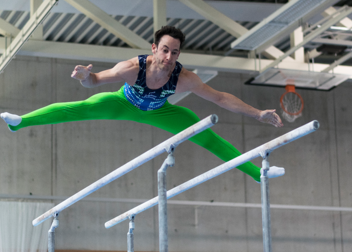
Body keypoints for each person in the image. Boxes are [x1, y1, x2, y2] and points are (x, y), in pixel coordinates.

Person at [1, 26, 284, 182]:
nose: (169, 56)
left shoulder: (185, 78)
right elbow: (96, 81)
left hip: (161, 112)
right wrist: (85, 76)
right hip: (122, 103)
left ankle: (257, 173)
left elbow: (220, 98)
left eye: (175, 52)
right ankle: (22, 123)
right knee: (82, 107)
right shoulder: (130, 68)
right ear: (154, 48)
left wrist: (257, 113)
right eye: (164, 49)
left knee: (205, 135)